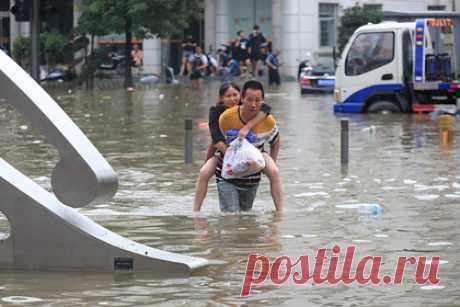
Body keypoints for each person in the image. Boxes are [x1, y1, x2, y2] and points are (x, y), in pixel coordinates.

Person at [193, 82, 283, 212]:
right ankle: (196, 211)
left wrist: (248, 127)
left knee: (274, 172)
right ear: (221, 98)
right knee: (204, 172)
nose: (232, 99)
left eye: (235, 95)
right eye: (228, 96)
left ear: (240, 96)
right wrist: (232, 155)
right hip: (225, 152)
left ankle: (279, 213)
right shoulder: (219, 114)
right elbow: (215, 140)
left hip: (255, 155)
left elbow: (266, 109)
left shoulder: (260, 113)